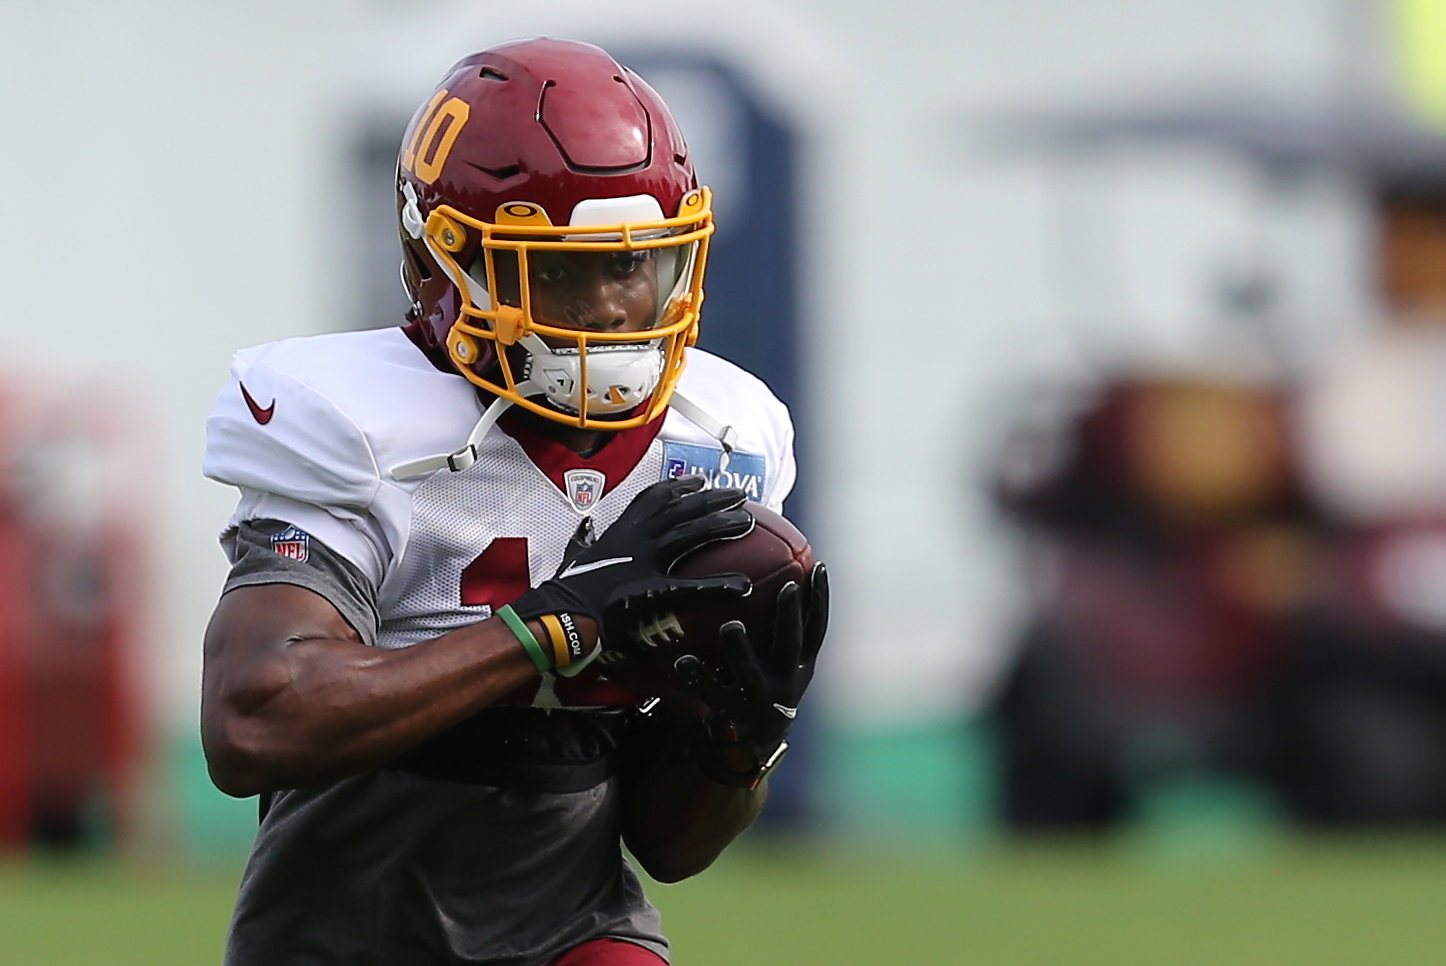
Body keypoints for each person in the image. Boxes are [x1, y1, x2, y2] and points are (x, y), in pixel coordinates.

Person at [199, 37, 827, 966]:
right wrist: (552, 629)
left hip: (575, 925)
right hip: (347, 928)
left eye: (631, 267)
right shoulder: (358, 423)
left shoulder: (718, 438)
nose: (613, 309)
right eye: (560, 269)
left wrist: (741, 741)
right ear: (432, 268)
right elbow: (257, 720)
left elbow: (673, 845)